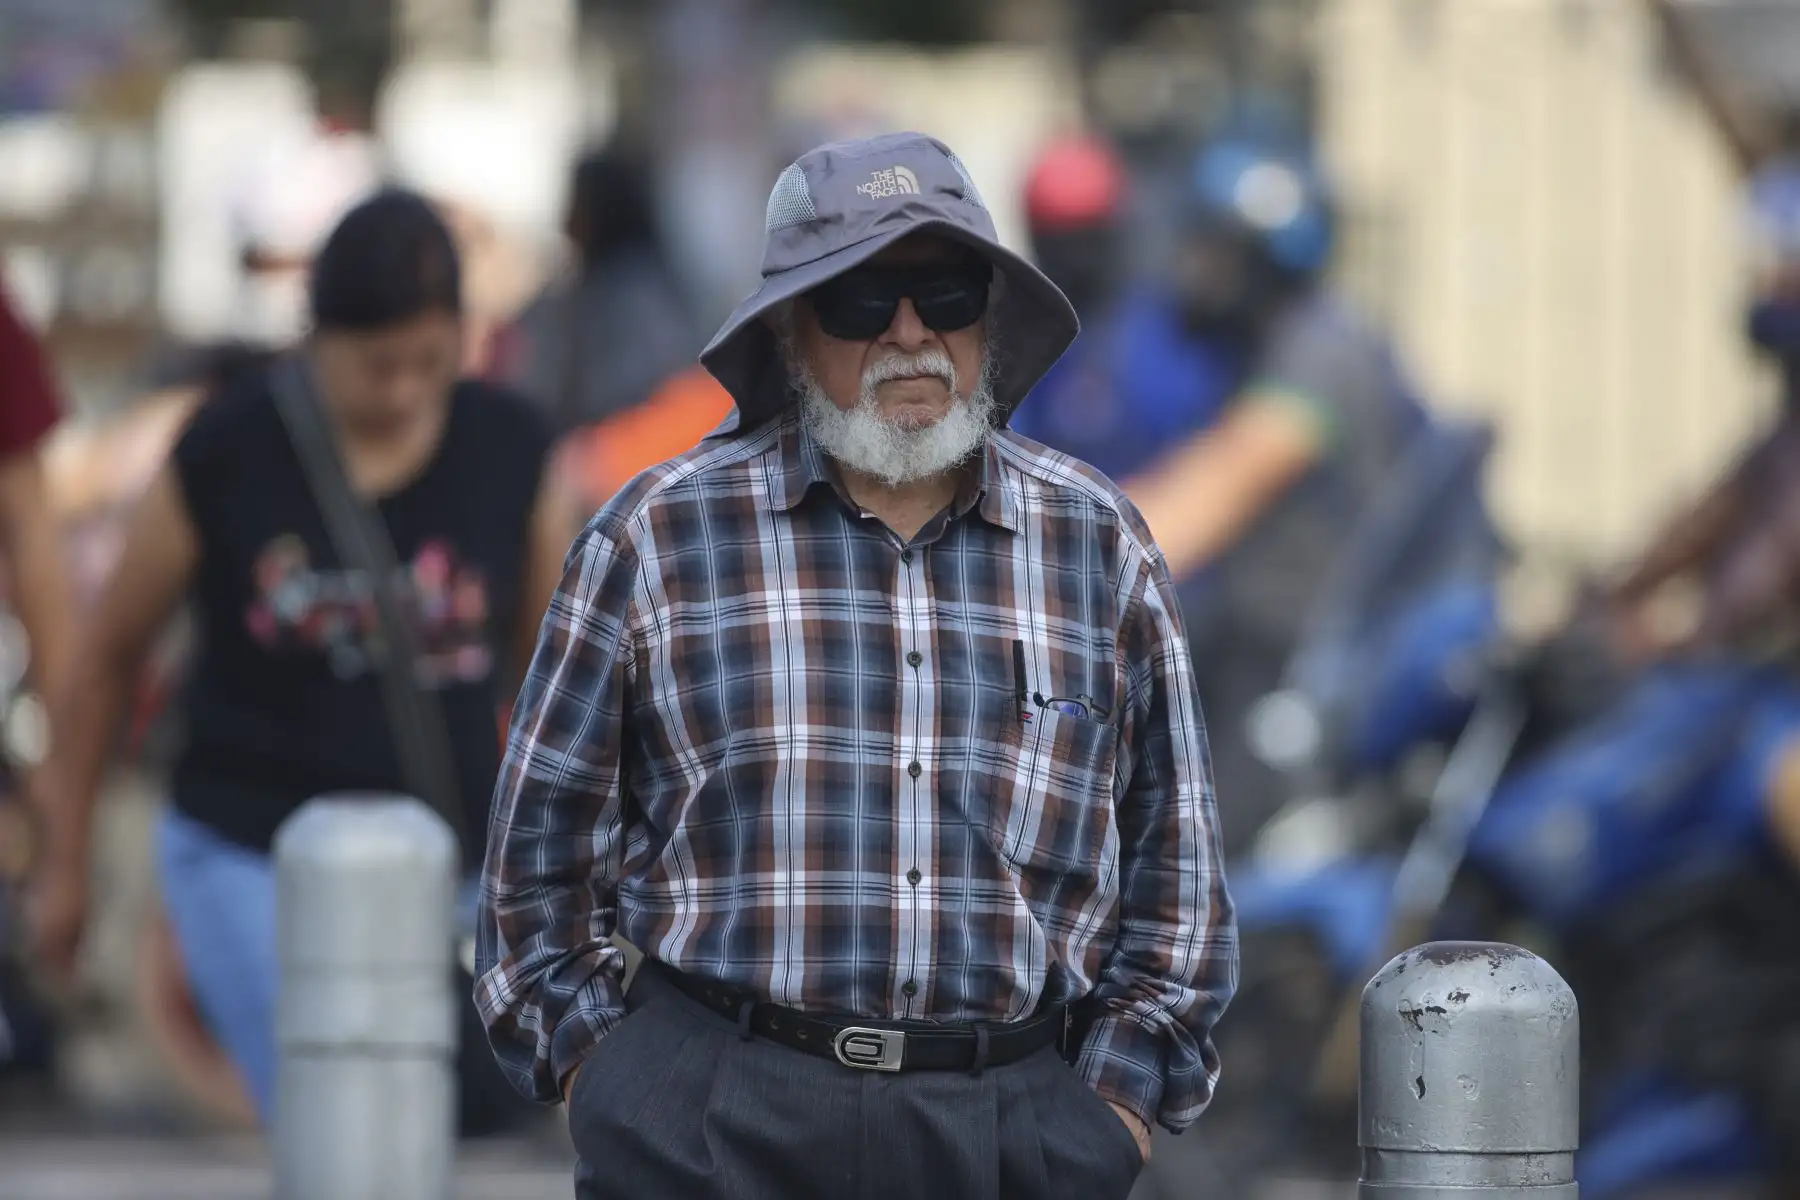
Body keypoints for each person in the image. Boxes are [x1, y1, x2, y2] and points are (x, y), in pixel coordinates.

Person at [478, 131, 1237, 1199]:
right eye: (860, 302)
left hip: (1013, 1129)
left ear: (991, 314)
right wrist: (614, 1081)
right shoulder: (655, 539)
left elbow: (1178, 863)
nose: (912, 334)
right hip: (708, 1125)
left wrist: (1109, 1110)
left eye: (946, 293)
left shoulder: (1097, 542)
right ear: (791, 332)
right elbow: (536, 862)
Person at [28, 191, 570, 1130]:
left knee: (461, 1125)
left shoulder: (513, 449)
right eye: (375, 367)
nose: (403, 391)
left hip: (447, 861)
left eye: (429, 363)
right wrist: (66, 862)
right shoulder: (228, 451)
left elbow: (557, 688)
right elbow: (109, 656)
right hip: (250, 849)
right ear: (316, 340)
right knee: (339, 1118)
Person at [1121, 132, 1430, 852]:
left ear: (1260, 256)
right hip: (1277, 663)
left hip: (1317, 687)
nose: (1189, 268)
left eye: (1209, 247)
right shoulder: (1287, 347)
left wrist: (1011, 553)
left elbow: (1199, 502)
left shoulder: (1319, 356)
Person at [1012, 131, 1245, 488]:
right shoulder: (1013, 344)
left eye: (1086, 236)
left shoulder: (1180, 329)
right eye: (1059, 239)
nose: (1074, 258)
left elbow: (1217, 450)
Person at [501, 145, 700, 435]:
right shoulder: (581, 287)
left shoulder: (636, 294)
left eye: (577, 204)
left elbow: (635, 388)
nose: (566, 220)